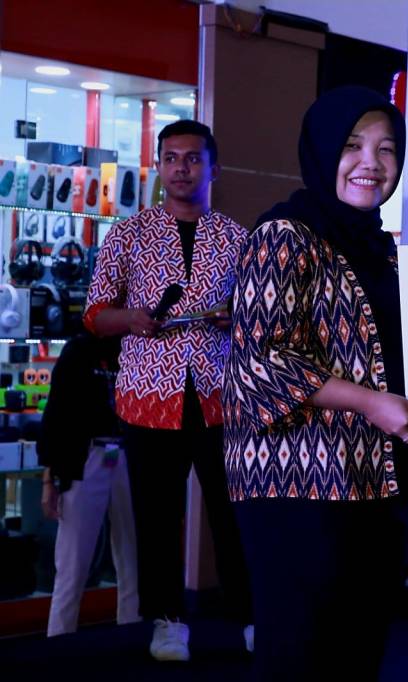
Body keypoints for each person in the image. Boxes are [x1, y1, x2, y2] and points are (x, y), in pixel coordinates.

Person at [223, 86, 408, 681]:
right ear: (320, 151)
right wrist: (367, 403)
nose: (372, 163)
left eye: (387, 149)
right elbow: (259, 361)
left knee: (357, 656)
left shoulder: (386, 252)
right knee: (300, 657)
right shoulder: (285, 235)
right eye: (352, 146)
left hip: (377, 482)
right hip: (299, 488)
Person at [84, 120, 251, 662]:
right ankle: (167, 621)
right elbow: (94, 315)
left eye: (194, 158)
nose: (182, 168)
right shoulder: (128, 234)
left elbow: (260, 316)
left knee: (234, 514)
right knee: (156, 517)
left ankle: (250, 617)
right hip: (147, 396)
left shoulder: (237, 238)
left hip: (220, 396)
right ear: (159, 166)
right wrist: (131, 318)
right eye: (172, 158)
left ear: (214, 168)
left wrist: (234, 317)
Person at [38, 332, 140, 637]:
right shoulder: (78, 350)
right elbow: (57, 414)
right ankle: (59, 641)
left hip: (126, 454)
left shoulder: (133, 345)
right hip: (86, 457)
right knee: (72, 564)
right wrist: (49, 478)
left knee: (133, 561)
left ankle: (129, 635)